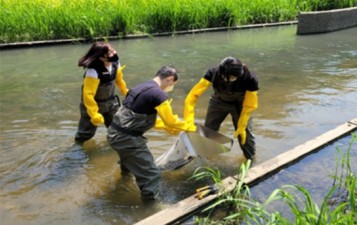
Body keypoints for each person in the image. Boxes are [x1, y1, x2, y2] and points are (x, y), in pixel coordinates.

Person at [107, 65, 196, 200]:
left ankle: (123, 183)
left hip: (114, 133)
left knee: (128, 162)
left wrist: (166, 127)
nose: (171, 87)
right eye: (173, 84)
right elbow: (171, 121)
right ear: (170, 79)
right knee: (151, 175)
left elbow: (137, 116)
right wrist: (189, 127)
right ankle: (150, 206)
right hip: (127, 139)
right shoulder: (159, 94)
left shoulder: (142, 87)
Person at [184, 57, 259, 160]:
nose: (233, 79)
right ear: (222, 73)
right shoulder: (213, 72)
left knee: (244, 135)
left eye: (235, 77)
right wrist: (188, 119)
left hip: (241, 105)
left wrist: (241, 126)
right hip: (218, 102)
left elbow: (249, 106)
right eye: (231, 77)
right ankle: (206, 157)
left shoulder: (250, 78)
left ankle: (250, 159)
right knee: (208, 130)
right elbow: (193, 95)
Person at [74, 42, 129, 144]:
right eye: (109, 53)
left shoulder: (116, 64)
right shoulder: (93, 71)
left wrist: (126, 91)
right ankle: (77, 149)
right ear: (101, 57)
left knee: (118, 128)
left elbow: (119, 80)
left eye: (113, 50)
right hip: (92, 105)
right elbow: (88, 94)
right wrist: (94, 113)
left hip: (111, 103)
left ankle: (118, 148)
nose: (114, 53)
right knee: (85, 134)